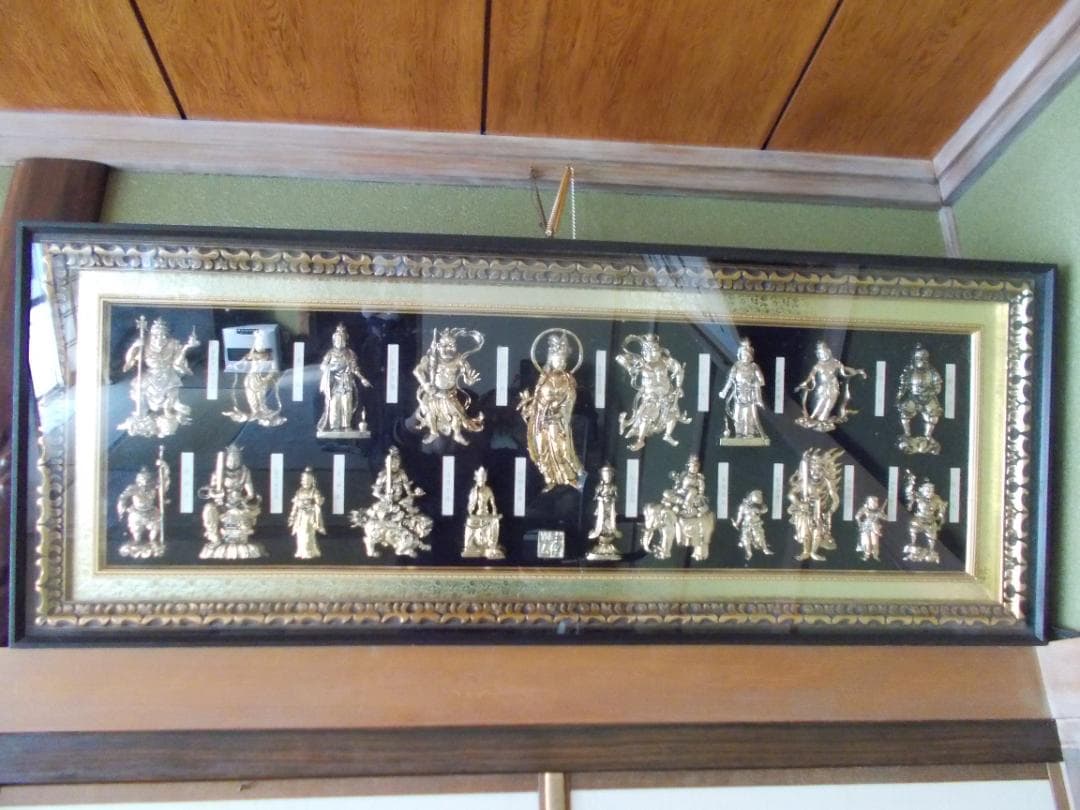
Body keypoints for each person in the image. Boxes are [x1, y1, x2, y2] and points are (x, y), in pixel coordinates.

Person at [518, 329, 583, 490]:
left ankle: (569, 477)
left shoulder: (568, 380)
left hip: (558, 421)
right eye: (557, 359)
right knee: (543, 450)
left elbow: (570, 399)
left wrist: (558, 410)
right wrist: (531, 407)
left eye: (563, 360)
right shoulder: (543, 379)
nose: (560, 363)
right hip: (541, 421)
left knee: (560, 449)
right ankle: (549, 478)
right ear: (551, 359)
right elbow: (537, 399)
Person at [118, 316, 200, 437]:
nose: (160, 338)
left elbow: (177, 363)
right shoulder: (144, 343)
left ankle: (169, 413)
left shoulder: (173, 344)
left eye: (163, 335)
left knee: (171, 397)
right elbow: (130, 360)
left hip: (168, 375)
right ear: (151, 334)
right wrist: (135, 346)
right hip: (150, 374)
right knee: (138, 391)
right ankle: (142, 415)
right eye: (156, 335)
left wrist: (186, 348)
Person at [615, 333, 690, 451]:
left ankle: (668, 434)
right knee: (645, 416)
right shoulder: (640, 361)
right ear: (644, 351)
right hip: (650, 395)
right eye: (648, 350)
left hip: (666, 394)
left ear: (659, 349)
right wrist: (629, 368)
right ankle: (640, 440)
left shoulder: (665, 362)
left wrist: (678, 385)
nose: (652, 352)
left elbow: (679, 370)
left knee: (673, 414)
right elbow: (619, 358)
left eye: (654, 349)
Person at [412, 327, 484, 445]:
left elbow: (467, 377)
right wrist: (425, 384)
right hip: (434, 394)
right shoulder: (431, 358)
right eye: (445, 346)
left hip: (450, 394)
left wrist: (469, 380)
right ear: (438, 346)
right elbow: (417, 371)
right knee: (431, 414)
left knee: (456, 415)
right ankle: (433, 432)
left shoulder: (459, 360)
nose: (449, 349)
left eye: (452, 346)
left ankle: (457, 434)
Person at [795, 341, 866, 431]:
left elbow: (844, 370)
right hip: (823, 388)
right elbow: (810, 377)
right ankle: (813, 417)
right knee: (821, 402)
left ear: (828, 352)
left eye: (824, 352)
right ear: (818, 355)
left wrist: (857, 371)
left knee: (830, 403)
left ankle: (823, 419)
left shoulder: (835, 363)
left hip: (833, 386)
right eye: (820, 354)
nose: (823, 355)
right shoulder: (818, 366)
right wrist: (803, 384)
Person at [317, 323, 371, 437]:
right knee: (335, 404)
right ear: (334, 340)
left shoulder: (350, 353)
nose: (340, 341)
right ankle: (334, 426)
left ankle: (347, 426)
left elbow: (354, 368)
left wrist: (362, 379)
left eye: (342, 339)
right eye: (337, 339)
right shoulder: (330, 353)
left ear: (346, 340)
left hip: (346, 382)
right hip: (334, 383)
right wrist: (332, 368)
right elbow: (322, 366)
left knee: (347, 404)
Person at [718, 337, 769, 445]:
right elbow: (730, 380)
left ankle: (749, 434)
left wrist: (753, 383)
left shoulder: (754, 367)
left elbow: (762, 381)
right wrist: (724, 391)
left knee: (748, 416)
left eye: (747, 355)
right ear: (740, 355)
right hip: (738, 394)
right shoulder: (736, 366)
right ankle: (739, 434)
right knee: (737, 415)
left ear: (750, 356)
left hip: (750, 395)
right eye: (743, 355)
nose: (745, 357)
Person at [896, 344, 944, 454]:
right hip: (914, 397)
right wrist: (900, 395)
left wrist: (929, 392)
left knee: (934, 415)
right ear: (915, 359)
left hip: (929, 398)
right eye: (919, 358)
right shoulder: (909, 371)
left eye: (923, 358)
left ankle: (928, 435)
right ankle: (907, 434)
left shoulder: (932, 372)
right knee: (905, 413)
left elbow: (938, 387)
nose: (921, 361)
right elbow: (904, 386)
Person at [462, 466, 504, 559]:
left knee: (495, 521)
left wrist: (495, 513)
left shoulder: (488, 490)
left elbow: (493, 504)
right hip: (477, 514)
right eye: (480, 477)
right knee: (470, 521)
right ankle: (468, 547)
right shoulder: (474, 491)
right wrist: (471, 512)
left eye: (483, 477)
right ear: (476, 478)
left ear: (486, 478)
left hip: (486, 513)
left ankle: (491, 547)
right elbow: (470, 506)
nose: (482, 479)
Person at [288, 467, 326, 559]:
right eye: (304, 480)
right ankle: (301, 551)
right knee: (300, 534)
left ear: (312, 481)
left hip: (310, 515)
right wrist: (292, 516)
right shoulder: (299, 492)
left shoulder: (314, 491)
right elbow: (295, 505)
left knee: (308, 533)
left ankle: (309, 552)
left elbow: (318, 502)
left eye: (308, 480)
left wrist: (318, 500)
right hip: (300, 515)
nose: (306, 482)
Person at [733, 489, 771, 560]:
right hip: (747, 524)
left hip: (756, 523)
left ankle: (765, 549)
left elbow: (765, 510)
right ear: (751, 496)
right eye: (757, 496)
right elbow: (740, 515)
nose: (760, 497)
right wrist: (737, 523)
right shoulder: (744, 506)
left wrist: (759, 510)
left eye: (760, 496)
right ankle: (749, 553)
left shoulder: (760, 506)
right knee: (746, 539)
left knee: (760, 536)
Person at [854, 495, 886, 562]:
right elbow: (857, 516)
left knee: (875, 543)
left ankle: (875, 555)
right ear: (868, 502)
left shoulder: (878, 511)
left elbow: (885, 518)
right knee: (867, 543)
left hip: (875, 527)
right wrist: (859, 523)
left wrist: (881, 514)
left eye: (875, 502)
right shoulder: (864, 509)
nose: (874, 503)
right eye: (872, 502)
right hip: (866, 527)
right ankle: (866, 555)